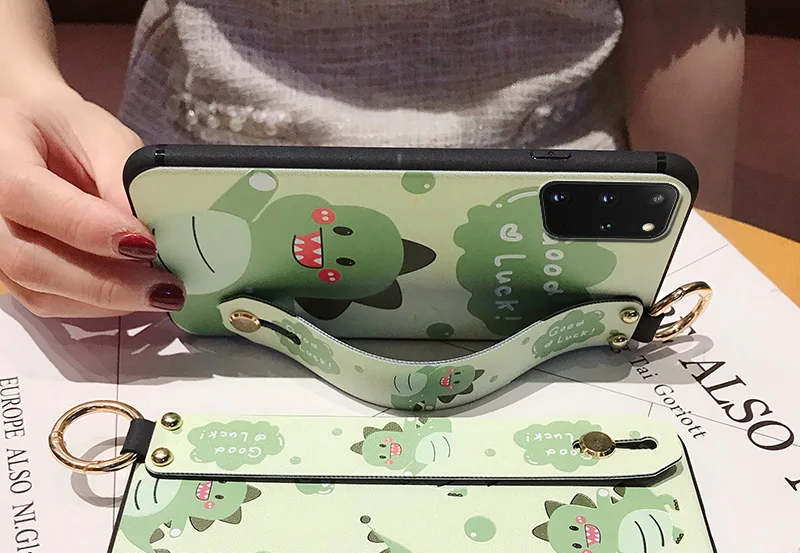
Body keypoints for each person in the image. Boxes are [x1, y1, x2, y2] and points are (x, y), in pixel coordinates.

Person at [0, 0, 744, 319]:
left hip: (559, 211)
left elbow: (686, 16)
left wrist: (705, 242)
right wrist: (20, 86)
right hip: (185, 198)